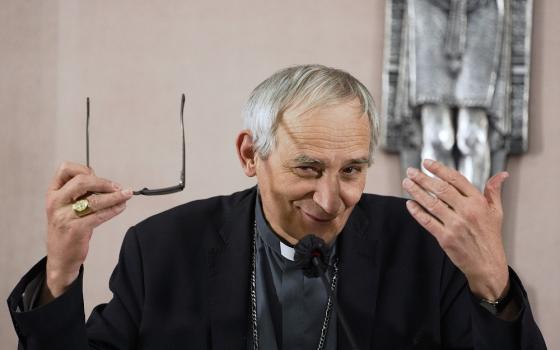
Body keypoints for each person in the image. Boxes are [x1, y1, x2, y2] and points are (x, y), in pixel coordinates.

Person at [7, 65, 546, 349]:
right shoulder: (163, 249)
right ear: (250, 154)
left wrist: (492, 284)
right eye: (308, 169)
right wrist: (61, 270)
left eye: (352, 170)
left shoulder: (425, 248)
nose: (332, 200)